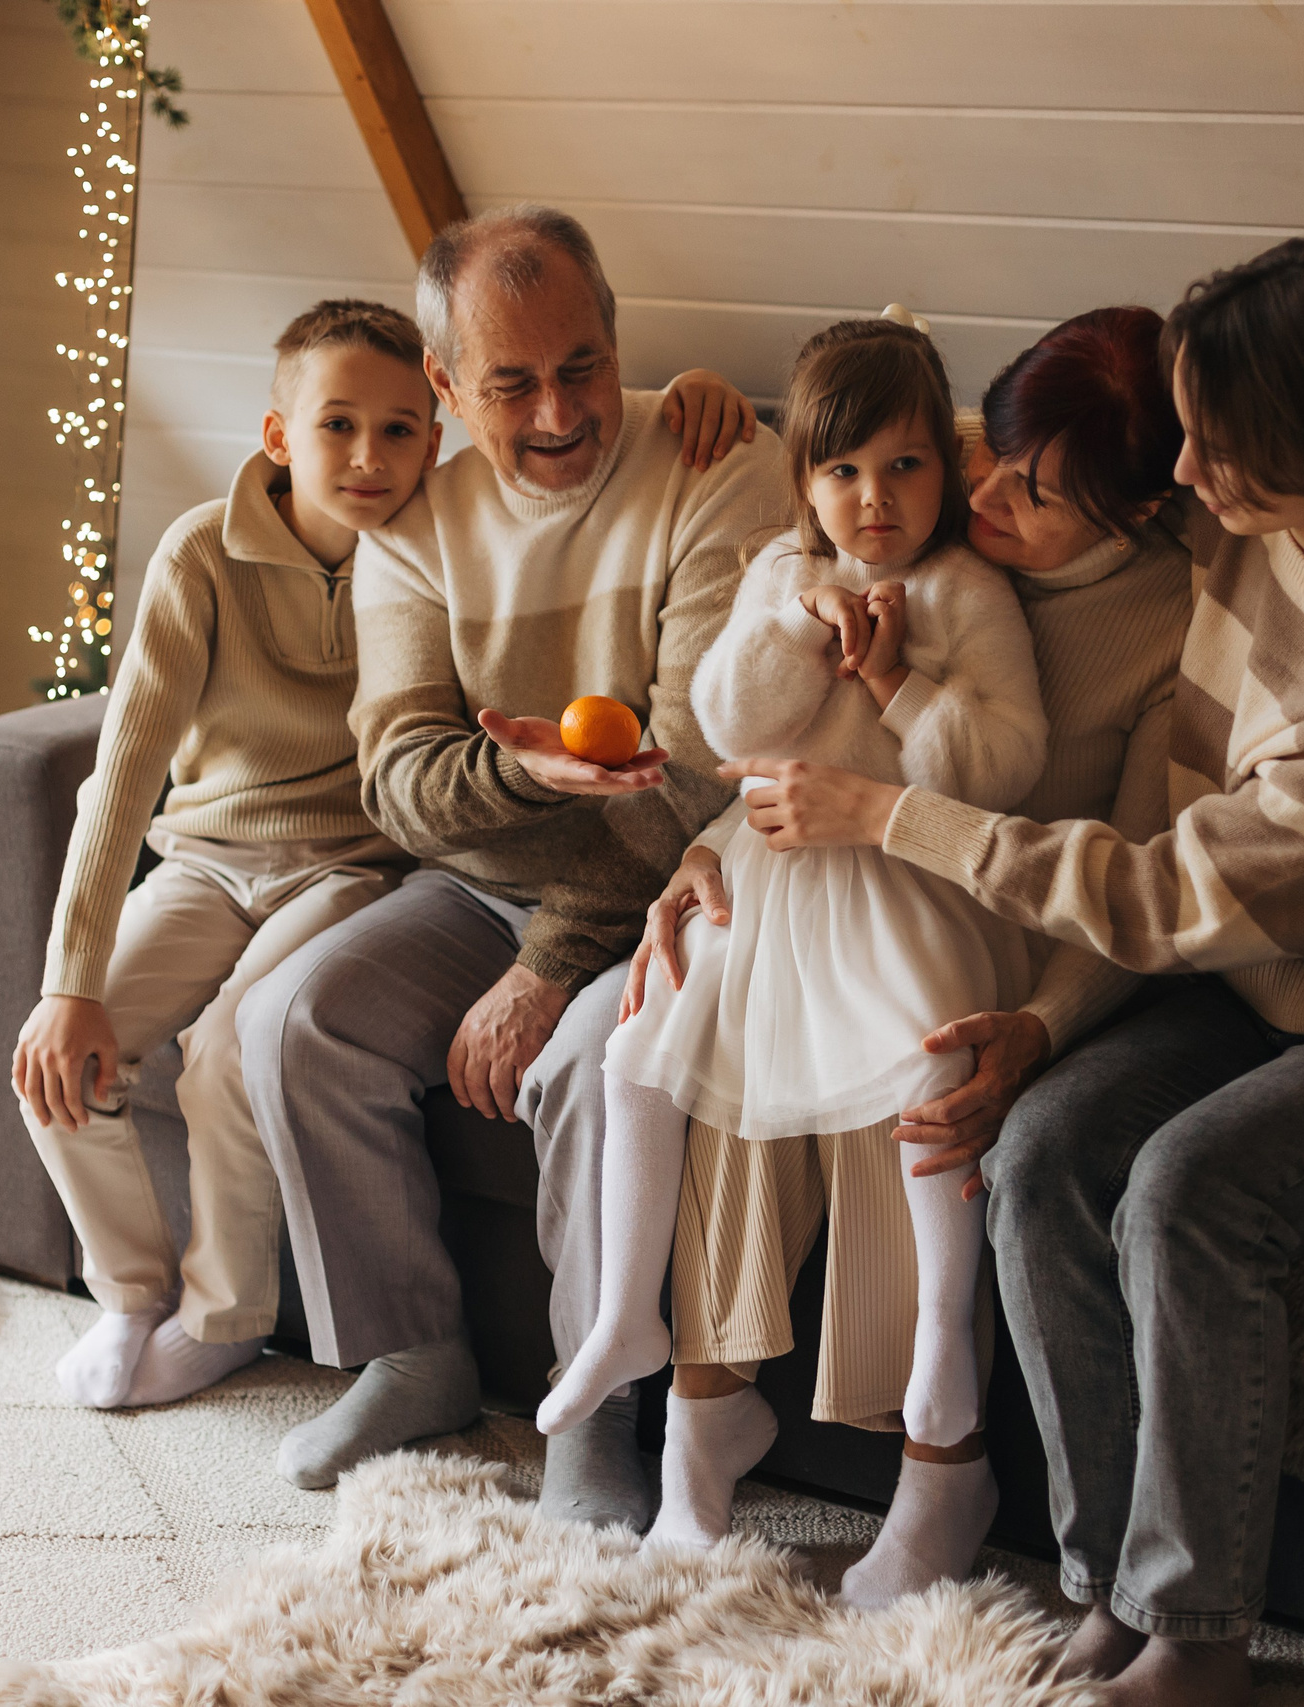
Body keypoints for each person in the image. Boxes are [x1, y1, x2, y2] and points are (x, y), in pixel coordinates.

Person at [719, 235, 1304, 1704]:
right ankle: (1102, 1578)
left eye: (1217, 450)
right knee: (1039, 1156)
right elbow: (971, 463)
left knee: (1189, 1191)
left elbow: (1166, 888)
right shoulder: (1240, 522)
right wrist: (1043, 1025)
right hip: (1256, 963)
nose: (1190, 473)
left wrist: (891, 814)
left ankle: (1200, 1633)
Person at [10, 295, 753, 1413]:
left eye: (400, 430)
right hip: (213, 859)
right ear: (278, 438)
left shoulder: (429, 543)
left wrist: (688, 396)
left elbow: (594, 445)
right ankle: (127, 1295)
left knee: (229, 1054)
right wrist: (69, 982)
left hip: (352, 867)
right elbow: (120, 776)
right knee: (61, 1057)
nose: (369, 458)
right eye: (336, 428)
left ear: (439, 426)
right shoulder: (202, 557)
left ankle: (224, 1318)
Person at [610, 304, 1201, 1607]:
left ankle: (943, 1470)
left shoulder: (1175, 630)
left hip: (1024, 915)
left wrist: (1041, 1024)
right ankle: (698, 1431)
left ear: (1134, 513)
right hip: (829, 866)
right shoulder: (916, 503)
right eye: (987, 453)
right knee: (732, 1056)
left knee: (919, 1082)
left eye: (1034, 492)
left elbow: (1154, 886)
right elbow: (778, 715)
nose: (985, 491)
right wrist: (706, 849)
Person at [235, 205, 786, 1515]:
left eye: (581, 366)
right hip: (492, 875)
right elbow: (405, 785)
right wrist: (531, 775)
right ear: (443, 383)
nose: (556, 415)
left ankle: (592, 1407)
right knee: (292, 1020)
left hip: (685, 888)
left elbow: (701, 770)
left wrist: (549, 958)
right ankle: (412, 1350)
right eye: (511, 383)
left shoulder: (713, 464)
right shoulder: (415, 518)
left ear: (615, 335)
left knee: (596, 1058)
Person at [537, 316, 1048, 1563]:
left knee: (928, 1062)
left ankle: (940, 1356)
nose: (873, 501)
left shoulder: (965, 594)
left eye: (905, 467)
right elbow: (727, 723)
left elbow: (1005, 766)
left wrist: (894, 683)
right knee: (640, 1042)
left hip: (900, 878)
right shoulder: (780, 572)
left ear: (949, 467)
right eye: (841, 472)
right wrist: (799, 629)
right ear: (804, 481)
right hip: (769, 882)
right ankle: (621, 1322)